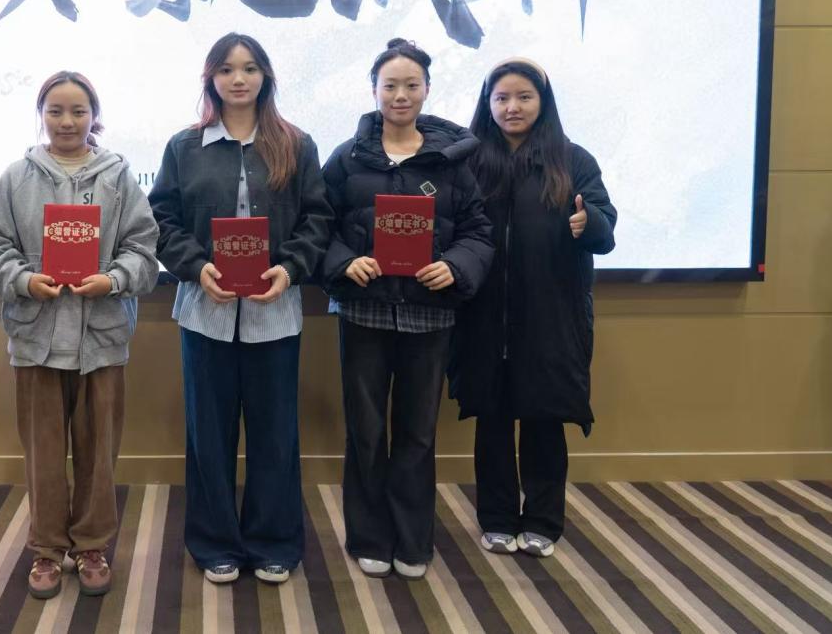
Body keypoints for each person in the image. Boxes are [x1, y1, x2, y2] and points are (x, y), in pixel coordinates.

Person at [148, 33, 332, 586]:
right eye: (226, 69)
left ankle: (274, 541)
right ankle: (215, 543)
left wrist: (290, 268)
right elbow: (162, 219)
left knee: (275, 433)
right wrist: (196, 266)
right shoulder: (185, 146)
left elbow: (318, 218)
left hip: (275, 312)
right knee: (209, 434)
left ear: (266, 77)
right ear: (211, 78)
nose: (238, 79)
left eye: (250, 68)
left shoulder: (296, 144)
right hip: (205, 311)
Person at [0, 71, 159, 600]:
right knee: (42, 454)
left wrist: (114, 279)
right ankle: (46, 549)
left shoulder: (119, 177)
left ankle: (93, 545)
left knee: (99, 453)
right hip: (36, 340)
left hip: (101, 339)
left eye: (78, 111)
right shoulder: (16, 177)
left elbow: (143, 250)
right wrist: (23, 280)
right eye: (55, 110)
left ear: (93, 117)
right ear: (41, 115)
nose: (66, 121)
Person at [320, 38, 494, 579]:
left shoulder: (453, 160)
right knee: (367, 431)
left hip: (429, 314)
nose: (400, 94)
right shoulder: (347, 157)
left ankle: (413, 541)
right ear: (374, 90)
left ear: (427, 89)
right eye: (390, 85)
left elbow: (478, 231)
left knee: (418, 433)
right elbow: (316, 225)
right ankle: (370, 537)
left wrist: (456, 267)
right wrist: (345, 261)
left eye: (411, 85)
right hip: (364, 314)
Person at [451, 58, 617, 558]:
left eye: (524, 97)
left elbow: (606, 230)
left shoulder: (573, 160)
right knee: (493, 421)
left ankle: (543, 520)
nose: (512, 107)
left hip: (551, 318)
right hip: (484, 316)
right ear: (487, 104)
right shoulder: (468, 160)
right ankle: (497, 518)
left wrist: (589, 224)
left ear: (543, 103)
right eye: (501, 98)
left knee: (544, 420)